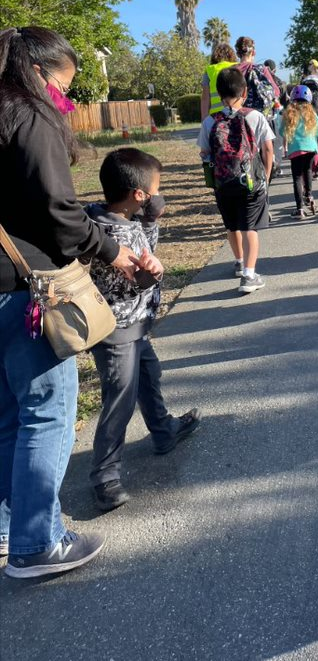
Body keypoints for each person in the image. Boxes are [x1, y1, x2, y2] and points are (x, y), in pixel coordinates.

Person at [0, 26, 138, 578]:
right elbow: (59, 210)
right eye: (63, 83)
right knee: (46, 412)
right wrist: (113, 252)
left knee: (9, 414)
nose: (67, 97)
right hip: (20, 286)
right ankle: (39, 542)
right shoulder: (28, 116)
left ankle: (12, 523)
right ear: (37, 71)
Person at [86, 148, 202, 511]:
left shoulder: (104, 217)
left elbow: (143, 248)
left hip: (136, 327)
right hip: (118, 330)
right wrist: (151, 273)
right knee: (120, 397)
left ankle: (163, 430)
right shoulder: (114, 233)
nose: (156, 195)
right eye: (154, 190)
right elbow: (129, 282)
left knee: (150, 375)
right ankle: (105, 475)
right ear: (138, 195)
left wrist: (149, 222)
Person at [209, 68, 274, 293]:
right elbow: (267, 149)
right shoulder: (255, 116)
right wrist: (264, 178)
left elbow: (204, 153)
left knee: (232, 225)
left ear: (219, 94)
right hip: (251, 181)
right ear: (245, 91)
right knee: (250, 228)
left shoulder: (210, 121)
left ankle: (238, 262)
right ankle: (249, 275)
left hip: (223, 183)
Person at [278, 85, 318, 220]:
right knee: (308, 170)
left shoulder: (289, 113)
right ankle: (309, 195)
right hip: (311, 149)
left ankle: (299, 209)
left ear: (292, 98)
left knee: (297, 178)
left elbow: (281, 132)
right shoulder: (311, 113)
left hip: (296, 150)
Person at [234, 36, 280, 115]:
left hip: (236, 116)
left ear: (238, 54)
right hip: (257, 117)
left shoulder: (231, 71)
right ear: (253, 52)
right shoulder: (261, 70)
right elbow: (276, 92)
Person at [200, 41, 238, 120]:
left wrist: (204, 120)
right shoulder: (238, 68)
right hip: (235, 113)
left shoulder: (209, 71)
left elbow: (205, 99)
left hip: (216, 116)